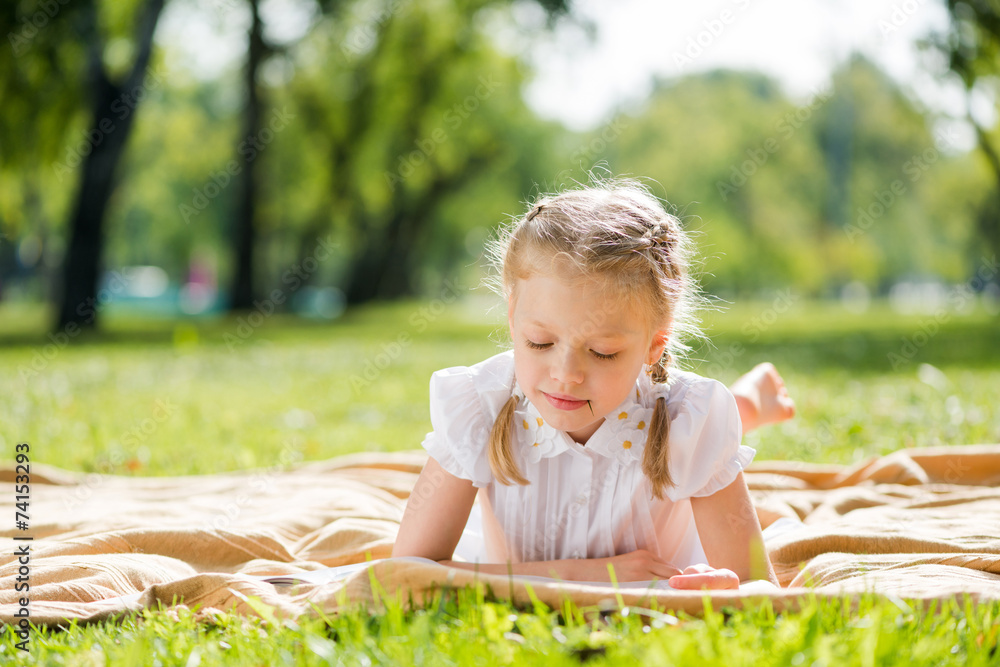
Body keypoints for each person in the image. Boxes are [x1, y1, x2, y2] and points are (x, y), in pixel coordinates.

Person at [392, 178, 795, 590]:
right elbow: (403, 574)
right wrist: (580, 577)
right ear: (513, 317)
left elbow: (757, 586)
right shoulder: (479, 406)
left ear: (655, 344)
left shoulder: (691, 423)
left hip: (666, 419)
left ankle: (744, 405)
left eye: (602, 351)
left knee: (697, 435)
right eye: (540, 342)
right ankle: (747, 405)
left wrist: (720, 586)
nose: (565, 374)